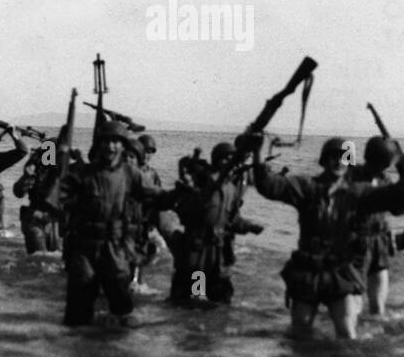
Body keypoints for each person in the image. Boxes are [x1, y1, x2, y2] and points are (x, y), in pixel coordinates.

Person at [253, 134, 404, 340]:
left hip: (341, 271)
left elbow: (394, 200)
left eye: (344, 158)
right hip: (308, 270)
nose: (339, 162)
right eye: (333, 157)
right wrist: (257, 153)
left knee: (347, 330)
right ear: (324, 160)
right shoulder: (307, 187)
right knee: (300, 330)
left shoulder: (359, 193)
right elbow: (268, 185)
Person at [59, 121, 161, 326]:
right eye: (106, 141)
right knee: (80, 307)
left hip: (121, 243)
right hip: (88, 244)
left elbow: (157, 202)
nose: (111, 147)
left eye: (116, 142)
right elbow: (56, 198)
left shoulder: (136, 175)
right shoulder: (81, 173)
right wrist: (58, 154)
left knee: (123, 299)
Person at [158, 140, 263, 305]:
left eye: (231, 159)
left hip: (217, 252)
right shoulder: (205, 183)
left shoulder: (231, 189)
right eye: (224, 159)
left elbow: (233, 219)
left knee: (220, 297)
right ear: (216, 161)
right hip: (198, 251)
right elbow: (188, 207)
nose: (228, 163)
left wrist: (250, 226)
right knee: (195, 296)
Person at [350, 136, 404, 317]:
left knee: (378, 303)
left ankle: (376, 324)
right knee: (354, 294)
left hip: (380, 240)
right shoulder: (353, 176)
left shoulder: (385, 180)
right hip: (357, 239)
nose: (381, 167)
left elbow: (398, 210)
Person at [14, 132, 65, 253]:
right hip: (35, 219)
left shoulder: (65, 172)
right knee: (38, 257)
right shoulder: (36, 171)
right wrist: (26, 177)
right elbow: (18, 192)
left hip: (55, 222)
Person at [125, 133, 163, 287]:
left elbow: (158, 198)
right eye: (145, 151)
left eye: (151, 152)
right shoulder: (127, 171)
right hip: (127, 220)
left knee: (140, 257)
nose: (148, 155)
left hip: (143, 221)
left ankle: (136, 285)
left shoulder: (152, 173)